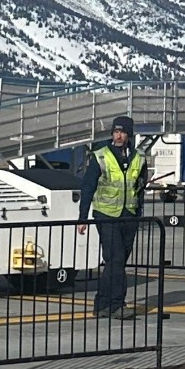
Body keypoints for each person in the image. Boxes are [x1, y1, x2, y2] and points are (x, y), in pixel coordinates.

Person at [77, 116, 146, 315]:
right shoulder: (101, 156)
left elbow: (140, 187)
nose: (118, 136)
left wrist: (139, 213)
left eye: (122, 132)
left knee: (117, 262)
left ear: (129, 134)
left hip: (129, 215)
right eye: (116, 132)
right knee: (115, 258)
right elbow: (88, 187)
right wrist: (83, 217)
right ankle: (117, 304)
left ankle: (102, 304)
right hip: (106, 215)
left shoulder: (139, 157)